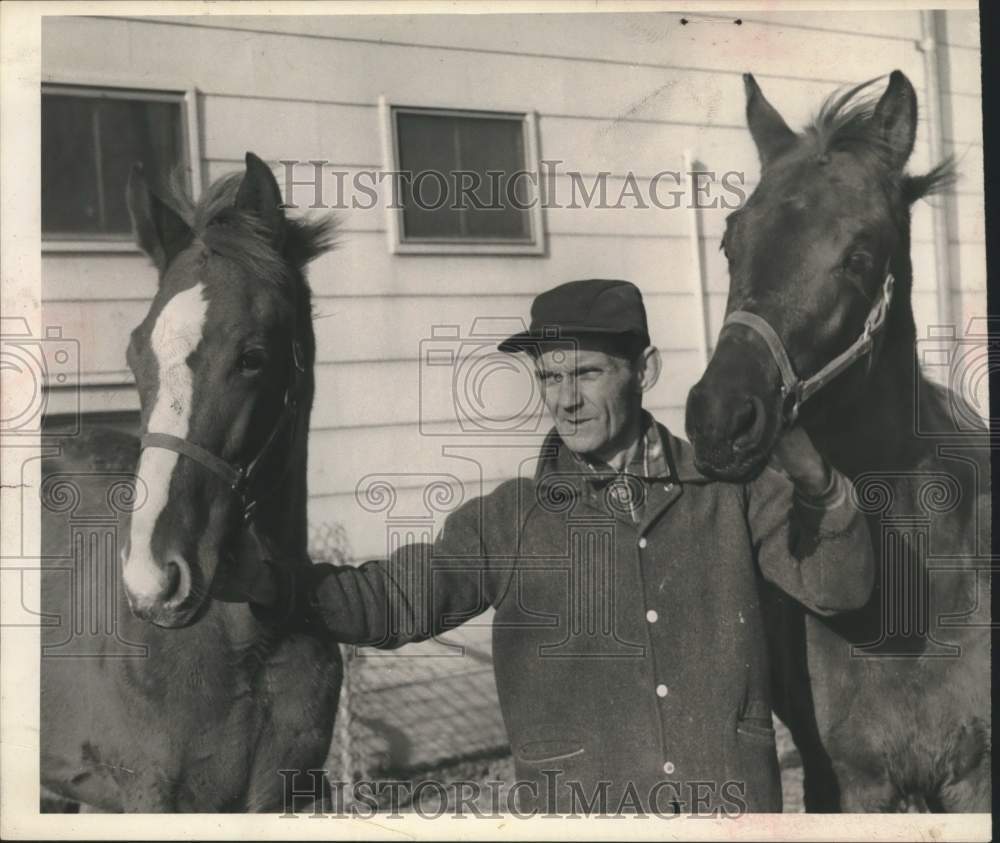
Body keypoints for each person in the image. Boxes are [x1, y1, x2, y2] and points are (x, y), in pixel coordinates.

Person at [238, 278, 875, 814]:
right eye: (550, 377)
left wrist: (817, 482)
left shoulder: (729, 493)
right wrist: (274, 583)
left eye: (588, 372)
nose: (565, 399)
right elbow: (394, 599)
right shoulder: (512, 519)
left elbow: (841, 588)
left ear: (644, 371)